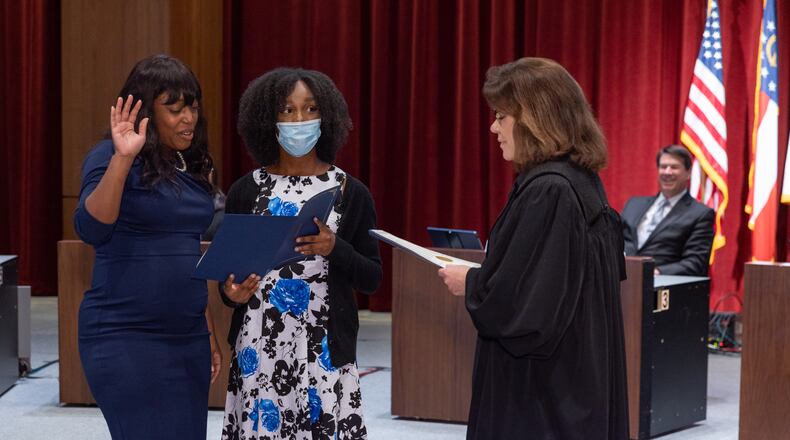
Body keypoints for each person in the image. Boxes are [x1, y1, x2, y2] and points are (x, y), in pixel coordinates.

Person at [438, 58, 629, 439]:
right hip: (574, 377)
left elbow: (529, 310)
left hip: (542, 392)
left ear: (534, 119)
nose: (493, 127)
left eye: (501, 116)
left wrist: (471, 282)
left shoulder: (549, 191)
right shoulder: (577, 181)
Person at [73, 54, 253, 439]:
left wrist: (206, 333)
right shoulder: (108, 156)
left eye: (192, 106)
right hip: (125, 334)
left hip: (187, 336)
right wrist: (123, 159)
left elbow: (186, 251)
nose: (188, 118)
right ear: (145, 111)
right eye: (174, 109)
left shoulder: (192, 164)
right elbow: (91, 227)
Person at [219, 67, 382, 439]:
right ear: (268, 119)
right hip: (259, 348)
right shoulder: (247, 190)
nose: (299, 120)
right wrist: (231, 294)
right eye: (287, 110)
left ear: (326, 118)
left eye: (309, 109)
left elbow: (372, 277)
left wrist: (334, 248)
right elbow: (227, 280)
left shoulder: (350, 191)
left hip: (324, 348)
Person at [621, 145, 715, 276]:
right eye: (663, 167)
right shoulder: (633, 204)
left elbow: (695, 262)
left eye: (674, 167)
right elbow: (616, 240)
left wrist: (655, 273)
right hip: (621, 281)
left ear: (688, 173)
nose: (667, 172)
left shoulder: (700, 214)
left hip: (663, 287)